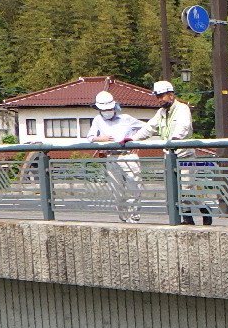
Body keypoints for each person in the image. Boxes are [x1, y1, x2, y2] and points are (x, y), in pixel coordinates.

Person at [130, 80, 213, 224]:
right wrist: (132, 139)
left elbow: (184, 125)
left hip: (184, 153)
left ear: (171, 95)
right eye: (158, 96)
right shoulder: (161, 112)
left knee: (186, 187)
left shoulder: (182, 109)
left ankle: (204, 209)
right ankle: (187, 218)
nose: (160, 99)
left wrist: (176, 138)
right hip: (169, 155)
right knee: (173, 189)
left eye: (163, 96)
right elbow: (149, 128)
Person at [86, 91, 144, 222]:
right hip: (112, 156)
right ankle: (124, 217)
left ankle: (133, 217)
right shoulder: (98, 120)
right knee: (117, 191)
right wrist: (100, 139)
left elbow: (146, 128)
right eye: (104, 109)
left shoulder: (126, 118)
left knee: (135, 187)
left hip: (129, 155)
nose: (107, 111)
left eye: (109, 109)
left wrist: (135, 140)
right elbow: (90, 137)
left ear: (114, 107)